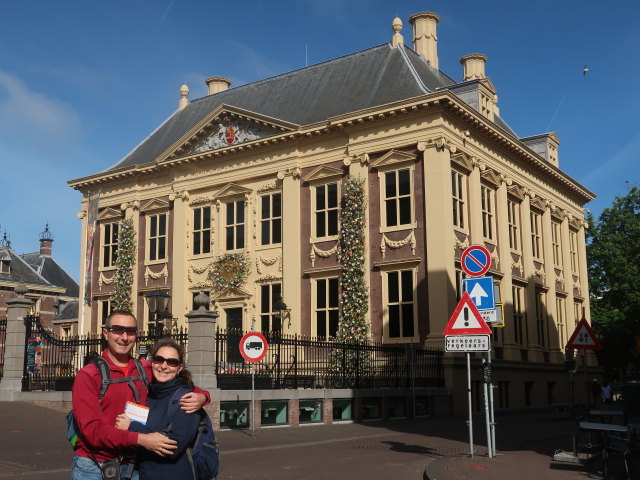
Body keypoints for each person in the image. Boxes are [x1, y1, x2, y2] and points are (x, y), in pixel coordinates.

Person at [70, 310, 210, 480]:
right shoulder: (89, 375)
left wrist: (202, 396)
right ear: (106, 333)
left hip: (132, 466)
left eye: (130, 331)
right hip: (94, 466)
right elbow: (91, 431)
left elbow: (176, 378)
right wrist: (140, 439)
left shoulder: (144, 368)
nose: (124, 337)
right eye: (118, 330)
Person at [116, 339, 200, 480]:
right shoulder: (148, 392)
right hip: (143, 473)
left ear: (180, 368)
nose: (164, 366)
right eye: (159, 359)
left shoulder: (187, 399)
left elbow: (173, 447)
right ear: (152, 362)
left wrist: (131, 427)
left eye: (171, 362)